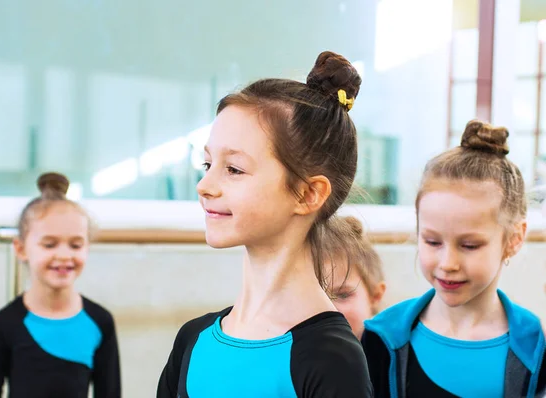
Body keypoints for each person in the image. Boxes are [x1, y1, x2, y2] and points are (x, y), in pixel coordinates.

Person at [157, 51, 372, 397]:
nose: (205, 186)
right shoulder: (191, 341)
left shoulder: (332, 360)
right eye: (207, 164)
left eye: (234, 169)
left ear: (307, 194)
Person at [362, 120, 546, 397]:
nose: (448, 263)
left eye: (470, 245)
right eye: (432, 241)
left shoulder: (537, 346)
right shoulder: (381, 338)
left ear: (514, 239)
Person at [0, 172, 121, 398]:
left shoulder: (100, 322)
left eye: (75, 245)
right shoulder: (3, 324)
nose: (64, 255)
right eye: (50, 244)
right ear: (21, 248)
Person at [326, 216, 386, 340]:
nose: (327, 310)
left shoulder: (393, 354)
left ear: (375, 295)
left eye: (343, 295)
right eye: (311, 297)